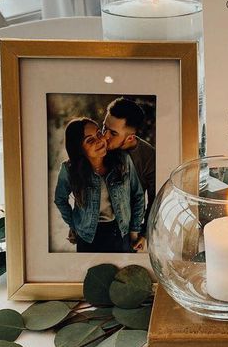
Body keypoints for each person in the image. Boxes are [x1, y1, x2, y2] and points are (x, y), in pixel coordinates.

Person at [53, 117, 145, 253]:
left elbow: (138, 195)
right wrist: (74, 226)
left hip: (121, 233)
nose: (100, 140)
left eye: (99, 133)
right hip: (87, 238)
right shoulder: (69, 170)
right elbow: (60, 200)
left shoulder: (123, 161)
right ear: (79, 148)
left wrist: (134, 231)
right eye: (90, 140)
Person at [102, 98, 156, 229]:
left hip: (128, 228)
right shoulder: (99, 146)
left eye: (113, 133)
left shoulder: (149, 157)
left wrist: (143, 234)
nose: (105, 136)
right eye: (104, 127)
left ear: (130, 138)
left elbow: (154, 201)